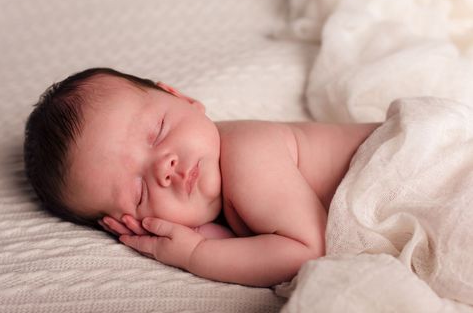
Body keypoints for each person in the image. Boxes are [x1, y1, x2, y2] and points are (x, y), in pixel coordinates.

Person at [24, 67, 381, 287]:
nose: (165, 166)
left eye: (158, 131)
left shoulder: (246, 152)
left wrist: (199, 254)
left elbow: (310, 250)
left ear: (182, 98)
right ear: (128, 224)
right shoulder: (218, 201)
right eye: (138, 191)